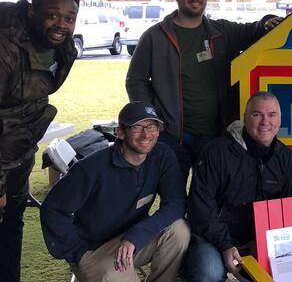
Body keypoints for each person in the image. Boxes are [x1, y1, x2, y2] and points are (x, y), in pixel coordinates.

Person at [126, 0, 283, 180]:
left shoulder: (220, 32)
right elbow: (135, 80)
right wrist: (151, 120)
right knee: (173, 196)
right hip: (173, 137)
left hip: (216, 135)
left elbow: (252, 30)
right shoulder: (155, 37)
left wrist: (267, 21)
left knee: (212, 196)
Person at [40, 101, 190, 281]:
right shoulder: (91, 168)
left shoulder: (162, 155)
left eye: (152, 126)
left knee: (179, 231)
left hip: (133, 239)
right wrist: (77, 253)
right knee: (113, 275)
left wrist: (136, 236)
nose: (146, 134)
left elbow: (176, 203)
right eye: (137, 127)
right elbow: (52, 208)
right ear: (120, 132)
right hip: (96, 249)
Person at [0, 0, 80, 282]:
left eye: (69, 19)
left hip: (18, 147)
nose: (61, 24)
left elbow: (35, 98)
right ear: (32, 11)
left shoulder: (63, 47)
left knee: (12, 221)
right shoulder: (5, 45)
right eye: (53, 15)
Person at [186, 91, 292, 281]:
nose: (265, 122)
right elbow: (200, 209)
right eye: (257, 115)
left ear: (280, 119)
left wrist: (266, 243)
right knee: (208, 271)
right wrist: (224, 245)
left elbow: (291, 211)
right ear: (245, 118)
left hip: (263, 241)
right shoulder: (216, 153)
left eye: (272, 115)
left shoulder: (287, 158)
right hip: (215, 239)